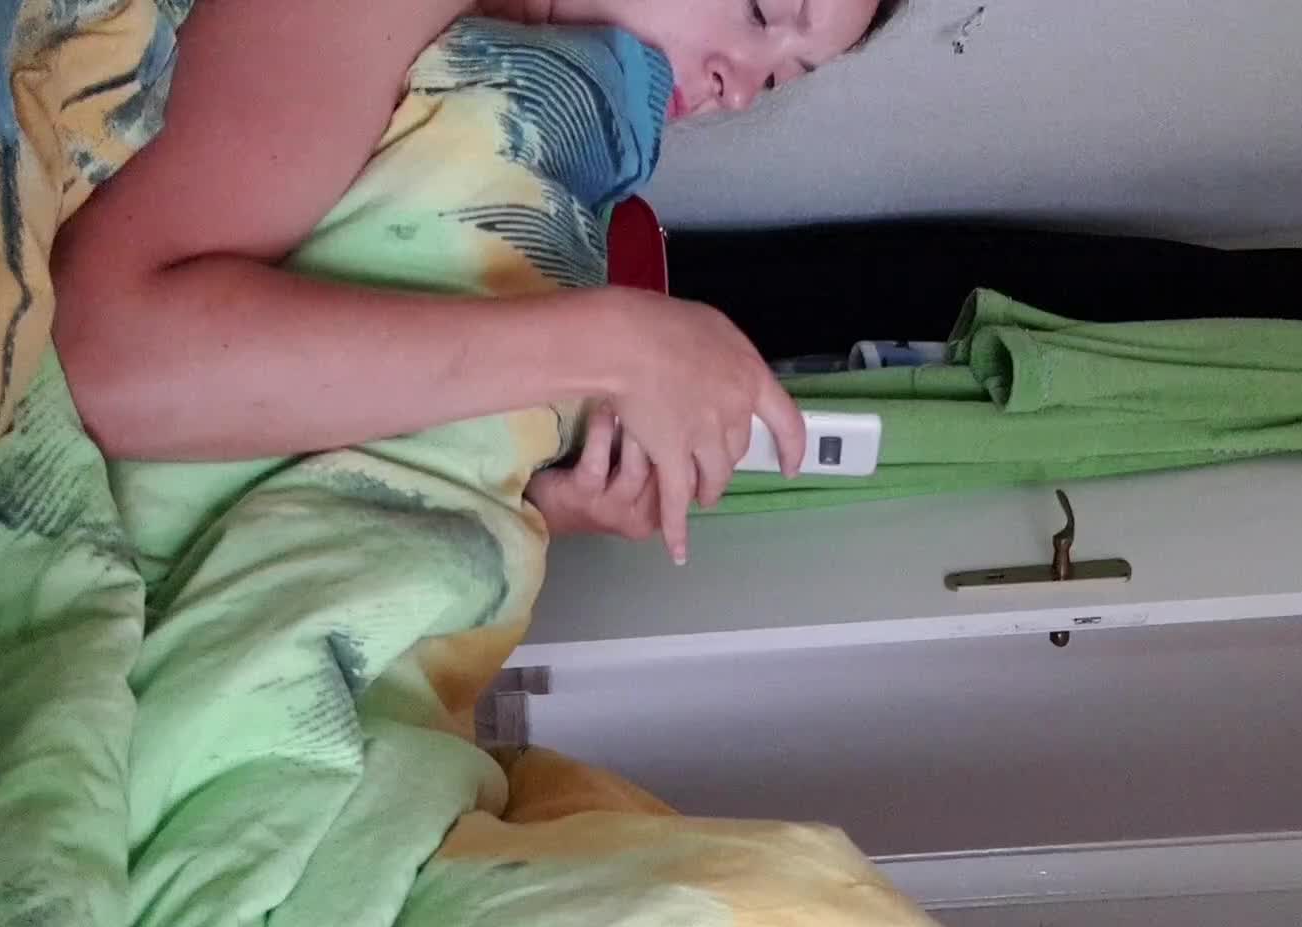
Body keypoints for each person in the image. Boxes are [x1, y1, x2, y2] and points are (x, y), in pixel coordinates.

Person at [52, 0, 904, 567]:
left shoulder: (546, 124)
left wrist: (538, 504)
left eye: (781, 77)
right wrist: (612, 343)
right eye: (760, 10)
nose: (741, 89)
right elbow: (106, 362)